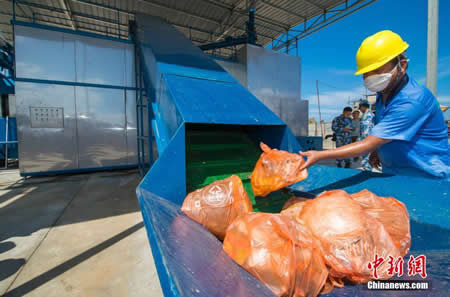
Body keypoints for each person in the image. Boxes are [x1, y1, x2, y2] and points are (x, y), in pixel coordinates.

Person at [300, 30, 449, 179]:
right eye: (366, 73)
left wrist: (320, 155)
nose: (370, 78)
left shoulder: (412, 100)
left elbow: (370, 142)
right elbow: (384, 131)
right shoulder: (383, 93)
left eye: (377, 71)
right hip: (394, 173)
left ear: (402, 66)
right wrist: (378, 151)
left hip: (426, 176)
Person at [358, 100, 374, 171]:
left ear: (363, 106)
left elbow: (366, 131)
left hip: (367, 141)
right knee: (366, 160)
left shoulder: (368, 115)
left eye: (360, 107)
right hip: (366, 141)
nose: (360, 109)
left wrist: (362, 142)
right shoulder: (366, 115)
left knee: (366, 161)